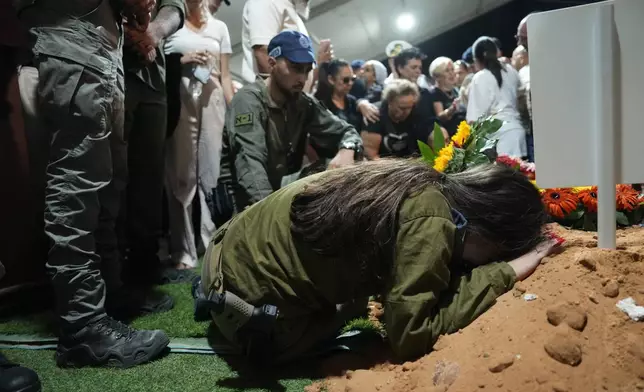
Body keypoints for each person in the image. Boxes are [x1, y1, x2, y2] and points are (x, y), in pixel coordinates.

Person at [199, 160, 558, 364]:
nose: (487, 262)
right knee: (339, 311)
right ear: (491, 231)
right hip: (247, 313)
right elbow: (411, 336)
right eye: (496, 253)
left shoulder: (422, 182)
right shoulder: (433, 220)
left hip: (219, 261)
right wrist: (506, 271)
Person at [15, 0, 170, 368]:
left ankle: (108, 295)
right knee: (79, 179)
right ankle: (81, 325)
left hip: (99, 33)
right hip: (74, 27)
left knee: (107, 181)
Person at [213, 30, 363, 223]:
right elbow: (250, 166)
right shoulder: (248, 101)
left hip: (277, 189)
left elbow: (347, 131)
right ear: (272, 63)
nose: (302, 78)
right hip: (240, 201)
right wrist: (272, 215)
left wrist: (347, 149)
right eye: (295, 68)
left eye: (307, 70)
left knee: (335, 168)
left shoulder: (302, 102)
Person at [163, 0, 234, 269]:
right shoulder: (171, 21)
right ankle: (183, 251)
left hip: (212, 95)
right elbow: (161, 62)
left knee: (212, 172)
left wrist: (233, 108)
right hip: (180, 94)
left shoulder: (220, 27)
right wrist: (184, 60)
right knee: (182, 173)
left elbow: (225, 76)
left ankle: (214, 244)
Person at [119, 0, 185, 285]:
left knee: (150, 174)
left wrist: (152, 34)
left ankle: (145, 262)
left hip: (152, 75)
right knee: (109, 176)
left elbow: (174, 6)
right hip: (107, 65)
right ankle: (114, 272)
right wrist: (126, 35)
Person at [240, 0, 331, 92]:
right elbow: (263, 53)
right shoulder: (266, 2)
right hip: (273, 101)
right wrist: (285, 101)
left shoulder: (289, 9)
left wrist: (320, 64)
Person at [467, 37, 527, 158]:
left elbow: (474, 119)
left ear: (477, 59)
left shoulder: (480, 77)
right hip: (517, 131)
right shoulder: (510, 70)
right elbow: (522, 97)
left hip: (498, 138)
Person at [361, 79, 431, 159]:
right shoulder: (374, 115)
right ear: (390, 102)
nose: (407, 112)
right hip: (382, 165)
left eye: (409, 107)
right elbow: (371, 155)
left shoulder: (416, 112)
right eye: (402, 108)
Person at [315, 59, 362, 131]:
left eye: (353, 79)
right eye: (345, 80)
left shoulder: (352, 101)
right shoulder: (322, 105)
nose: (350, 83)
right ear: (331, 79)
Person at [427, 57, 466, 136]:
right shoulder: (435, 92)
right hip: (452, 135)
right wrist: (451, 110)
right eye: (447, 71)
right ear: (437, 76)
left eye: (452, 69)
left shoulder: (454, 90)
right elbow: (440, 116)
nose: (452, 73)